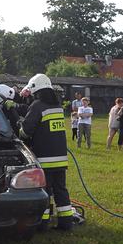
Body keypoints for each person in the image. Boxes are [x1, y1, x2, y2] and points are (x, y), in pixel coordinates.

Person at [19, 73, 77, 231]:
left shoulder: (37, 106)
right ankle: (66, 223)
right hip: (60, 159)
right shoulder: (57, 106)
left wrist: (19, 130)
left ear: (36, 91)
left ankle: (42, 224)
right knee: (61, 191)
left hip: (44, 159)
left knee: (44, 192)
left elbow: (26, 130)